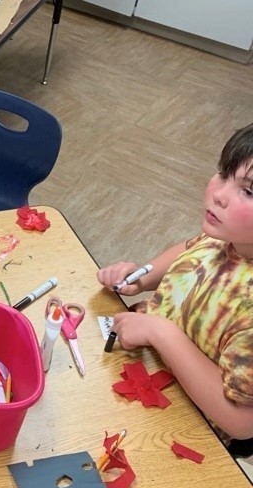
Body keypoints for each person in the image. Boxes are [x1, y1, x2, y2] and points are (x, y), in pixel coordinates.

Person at [97, 121, 253, 446]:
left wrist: (160, 331)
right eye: (224, 174)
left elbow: (241, 423)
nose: (219, 194)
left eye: (248, 191)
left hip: (186, 427)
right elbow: (188, 251)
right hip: (151, 366)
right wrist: (141, 277)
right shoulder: (228, 237)